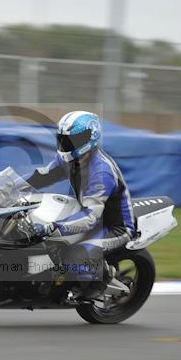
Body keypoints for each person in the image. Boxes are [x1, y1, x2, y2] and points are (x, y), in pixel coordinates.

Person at [25, 111, 135, 298]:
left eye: (71, 140)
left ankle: (97, 283)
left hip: (113, 227)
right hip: (87, 213)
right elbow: (41, 177)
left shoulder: (101, 172)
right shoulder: (69, 159)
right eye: (63, 139)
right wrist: (9, 186)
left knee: (76, 257)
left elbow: (91, 218)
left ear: (88, 138)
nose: (65, 145)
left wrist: (55, 227)